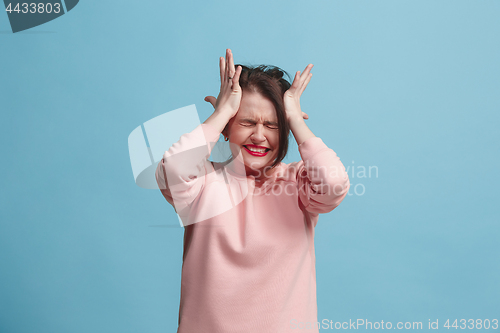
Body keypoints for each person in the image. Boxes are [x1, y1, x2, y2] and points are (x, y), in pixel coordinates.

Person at [155, 48, 350, 333]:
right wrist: (220, 113)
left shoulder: (298, 183)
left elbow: (333, 183)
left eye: (272, 125)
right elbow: (173, 169)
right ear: (227, 127)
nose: (259, 135)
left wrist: (294, 120)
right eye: (247, 122)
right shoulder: (202, 183)